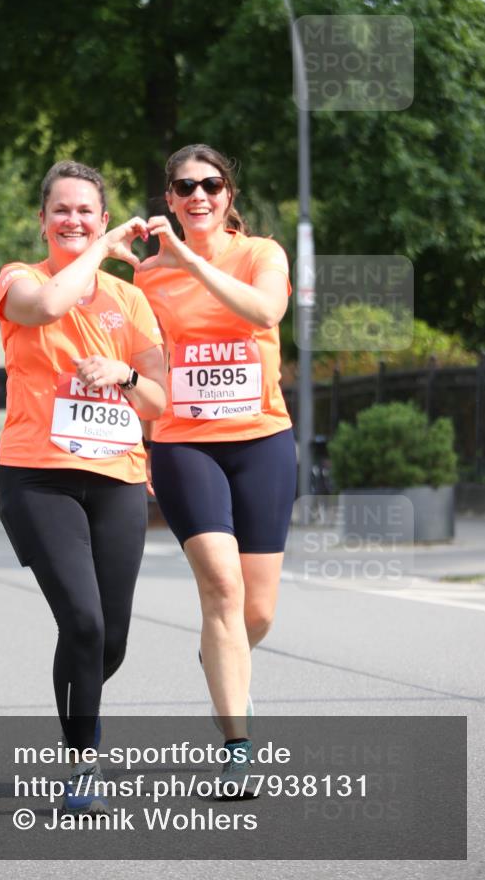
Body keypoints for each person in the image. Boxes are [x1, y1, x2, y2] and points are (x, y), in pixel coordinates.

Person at [0, 160, 166, 814]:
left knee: (109, 638)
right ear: (42, 221)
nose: (72, 219)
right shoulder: (20, 279)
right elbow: (50, 304)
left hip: (117, 477)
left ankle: (79, 714)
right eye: (61, 210)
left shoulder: (130, 301)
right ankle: (80, 763)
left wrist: (122, 374)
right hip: (37, 477)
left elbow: (155, 400)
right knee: (84, 623)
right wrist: (98, 251)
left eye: (85, 211)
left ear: (99, 217)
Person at [135, 143, 296, 793]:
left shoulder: (262, 254)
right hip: (184, 442)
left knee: (256, 612)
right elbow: (142, 361)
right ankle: (237, 746)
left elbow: (264, 313)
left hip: (261, 440)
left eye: (211, 184)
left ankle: (220, 660)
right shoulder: (148, 278)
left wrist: (190, 262)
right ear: (168, 200)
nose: (197, 195)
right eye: (183, 187)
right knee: (222, 592)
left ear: (229, 195)